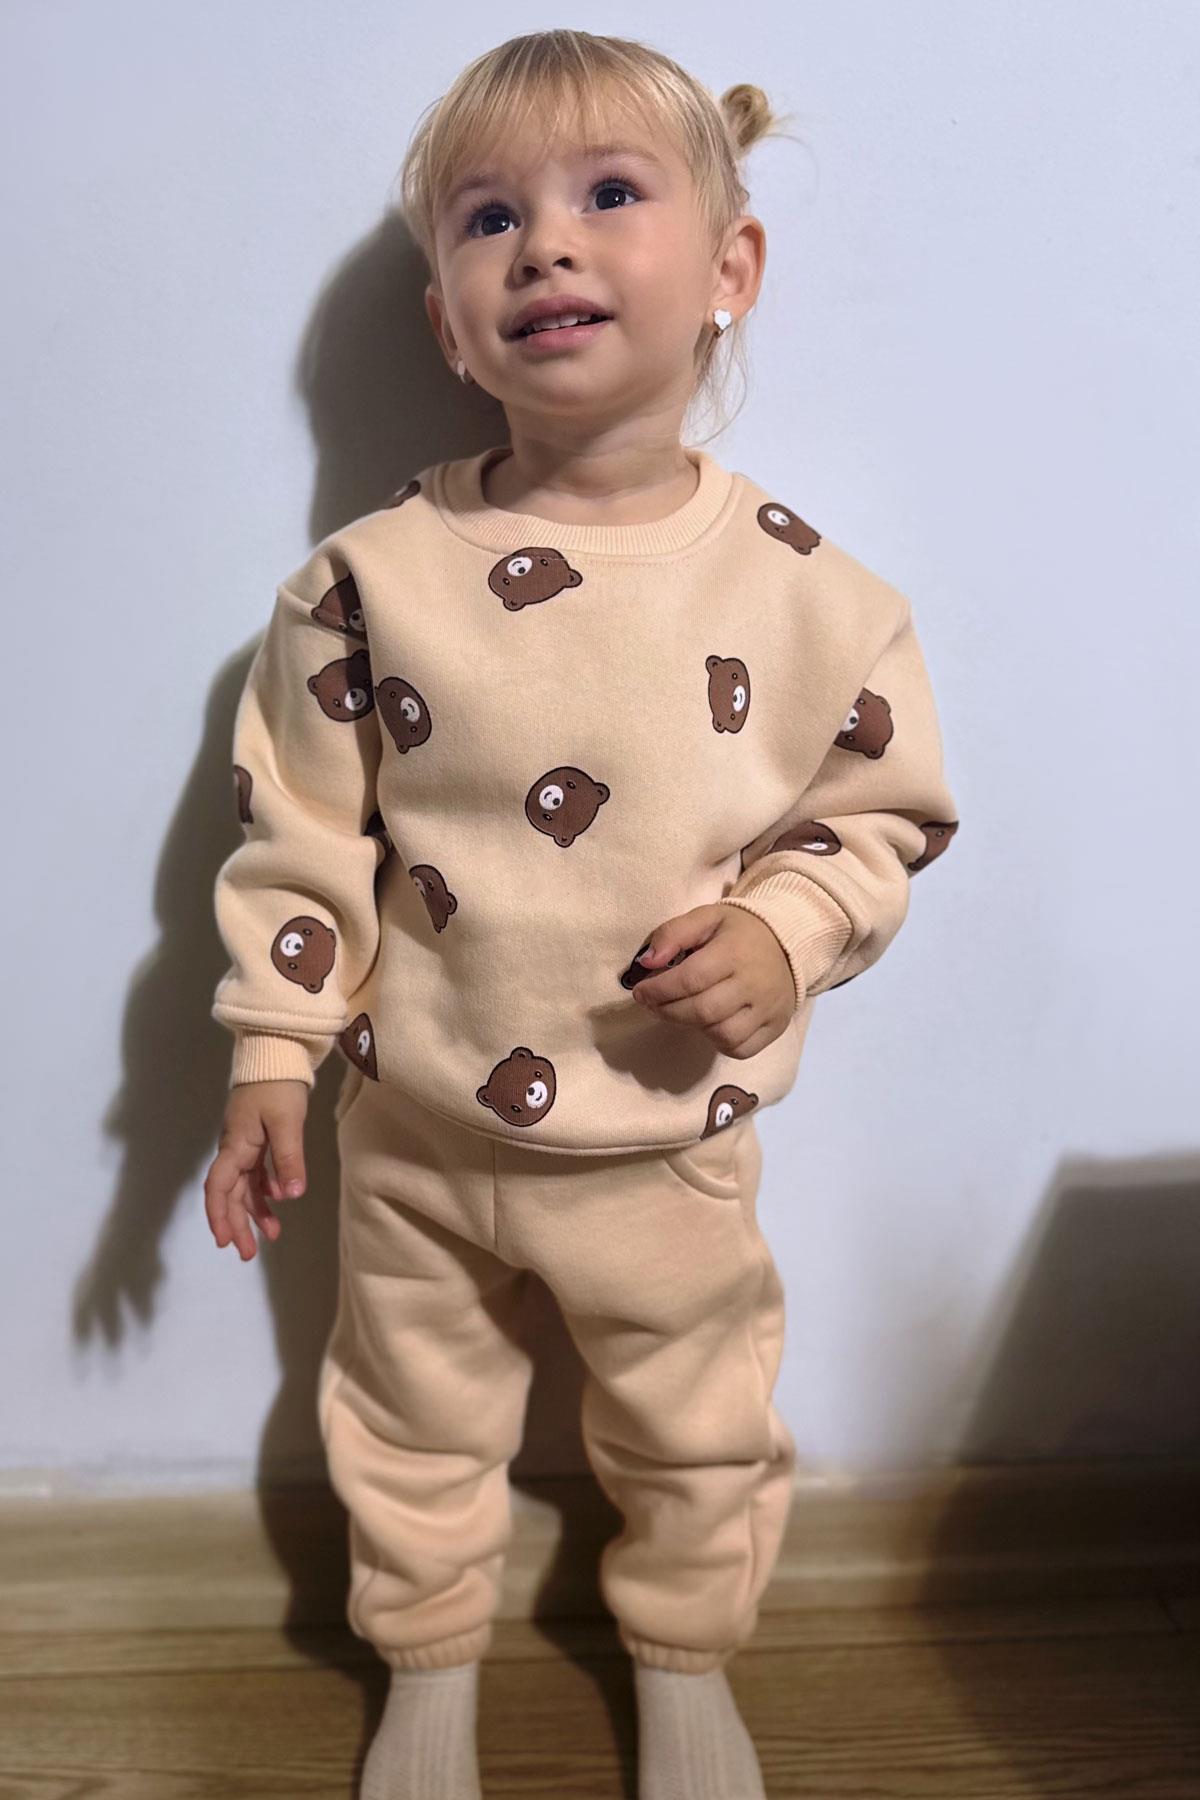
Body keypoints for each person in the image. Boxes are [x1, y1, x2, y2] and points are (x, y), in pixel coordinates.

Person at [203, 29, 961, 1800]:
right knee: (406, 1423)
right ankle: (427, 1664)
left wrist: (786, 933)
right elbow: (303, 834)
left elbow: (879, 816)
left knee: (697, 1434)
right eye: (490, 219)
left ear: (730, 268)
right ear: (448, 325)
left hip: (662, 1143)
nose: (545, 243)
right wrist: (268, 1054)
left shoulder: (813, 597)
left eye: (610, 195)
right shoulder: (365, 583)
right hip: (414, 1133)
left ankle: (687, 1659)